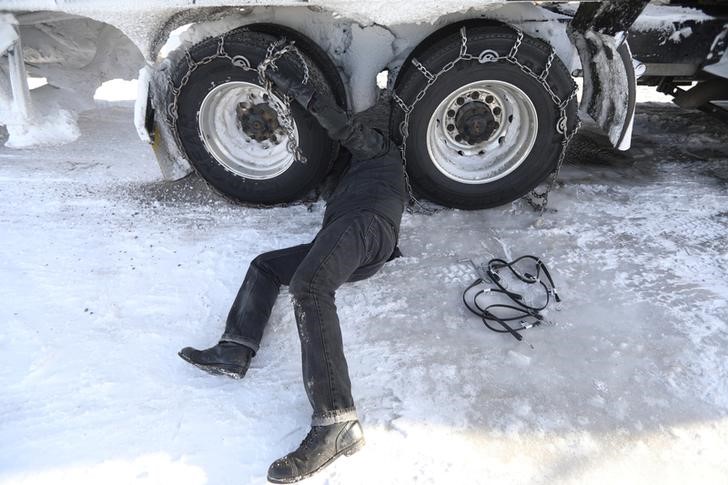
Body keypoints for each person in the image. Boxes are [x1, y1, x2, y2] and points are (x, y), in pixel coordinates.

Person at [178, 68, 406, 483]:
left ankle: (336, 422)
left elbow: (343, 127)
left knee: (309, 287)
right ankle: (235, 348)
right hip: (352, 239)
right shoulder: (353, 174)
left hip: (365, 228)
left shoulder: (382, 151)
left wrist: (299, 89)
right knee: (267, 265)